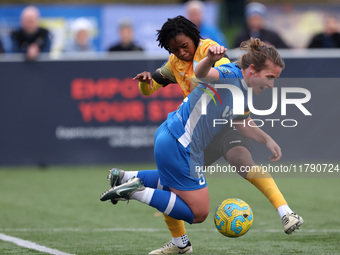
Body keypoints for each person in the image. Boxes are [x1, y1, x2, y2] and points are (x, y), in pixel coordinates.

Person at [100, 38, 304, 253]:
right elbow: (202, 73)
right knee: (198, 213)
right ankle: (135, 191)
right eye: (270, 77)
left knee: (175, 189)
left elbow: (242, 123)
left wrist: (266, 139)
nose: (272, 84)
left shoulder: (244, 90)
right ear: (252, 69)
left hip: (172, 138)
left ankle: (126, 178)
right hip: (180, 144)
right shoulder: (230, 74)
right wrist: (210, 59)